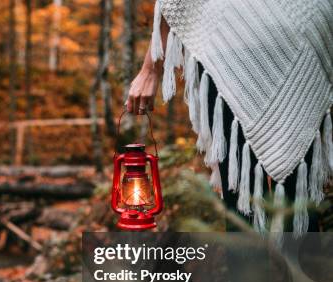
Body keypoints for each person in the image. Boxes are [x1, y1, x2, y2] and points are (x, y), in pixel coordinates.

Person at [126, 0, 332, 235]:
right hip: (235, 43)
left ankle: (284, 266)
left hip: (298, 40)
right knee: (251, 197)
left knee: (294, 197)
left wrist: (150, 70)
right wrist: (150, 69)